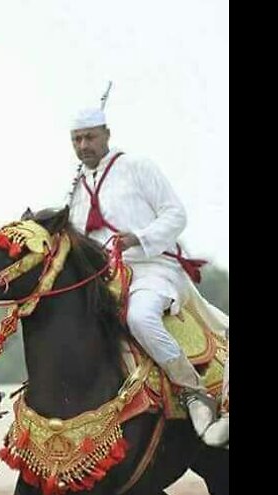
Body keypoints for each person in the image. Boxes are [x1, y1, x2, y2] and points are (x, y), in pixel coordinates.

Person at [66, 107, 228, 446]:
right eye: (77, 139)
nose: (84, 145)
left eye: (90, 137)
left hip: (151, 268)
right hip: (103, 280)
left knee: (139, 317)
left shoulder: (137, 166)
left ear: (107, 134)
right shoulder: (76, 187)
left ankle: (192, 392)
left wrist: (139, 236)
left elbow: (176, 214)